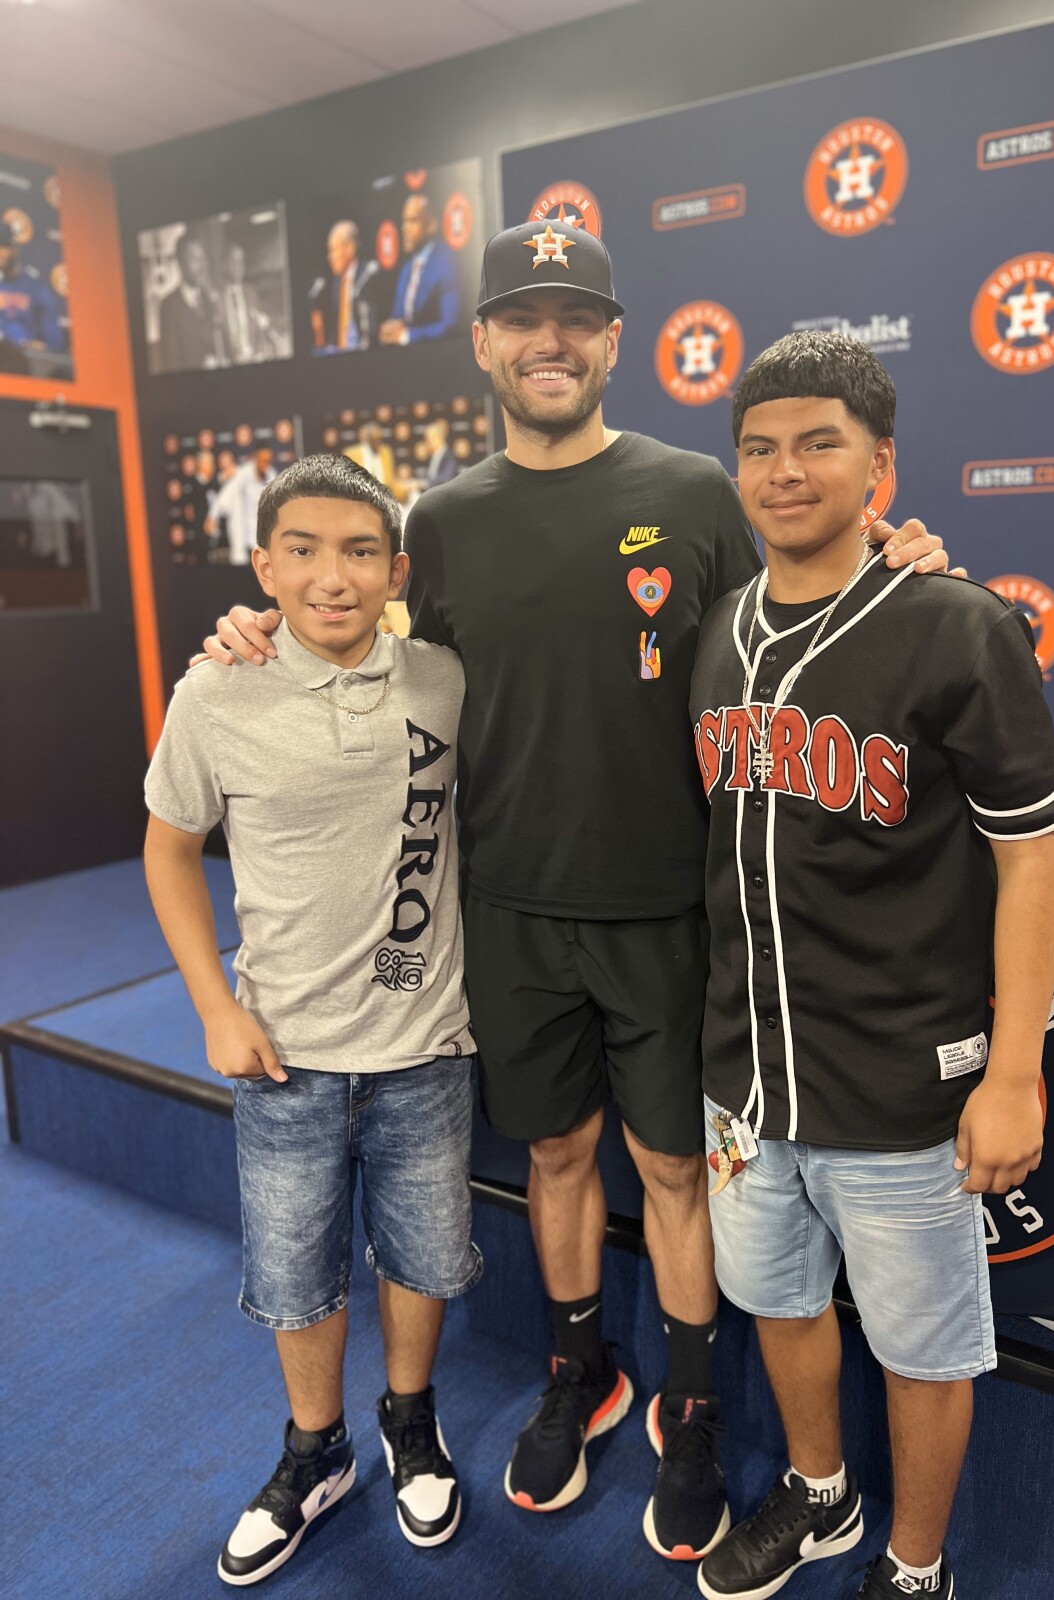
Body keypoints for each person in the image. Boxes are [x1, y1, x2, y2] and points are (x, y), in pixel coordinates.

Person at [198, 221, 951, 1563]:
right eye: (522, 317)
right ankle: (578, 1374)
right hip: (512, 911)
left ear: (613, 339)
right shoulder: (437, 521)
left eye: (576, 318)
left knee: (671, 1167)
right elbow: (351, 626)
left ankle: (697, 1408)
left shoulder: (698, 492)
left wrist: (902, 563)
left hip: (671, 909)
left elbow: (803, 599)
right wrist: (247, 630)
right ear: (484, 340)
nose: (549, 340)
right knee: (555, 1156)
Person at [690, 332, 1054, 1600]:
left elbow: (1030, 861)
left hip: (906, 1082)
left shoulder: (958, 624)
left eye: (817, 443)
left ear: (881, 464)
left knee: (921, 1347)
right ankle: (820, 1493)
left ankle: (914, 1566)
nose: (784, 471)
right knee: (780, 1303)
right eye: (759, 447)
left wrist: (1014, 1070)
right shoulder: (718, 629)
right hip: (747, 1079)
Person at [144, 455, 480, 1586]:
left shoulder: (443, 677)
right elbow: (168, 849)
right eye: (302, 550)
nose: (330, 578)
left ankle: (411, 1419)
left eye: (357, 552)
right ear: (263, 563)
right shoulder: (215, 691)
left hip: (428, 1046)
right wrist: (212, 1008)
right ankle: (315, 1451)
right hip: (283, 1055)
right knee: (297, 1275)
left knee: (425, 1257)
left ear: (396, 569)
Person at [380, 194, 460, 345]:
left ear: (431, 225)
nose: (404, 228)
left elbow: (451, 325)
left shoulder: (447, 263)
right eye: (404, 220)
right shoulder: (406, 269)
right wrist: (390, 328)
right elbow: (398, 315)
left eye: (412, 221)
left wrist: (407, 336)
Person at [0, 218, 67, 373]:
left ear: (15, 249)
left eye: (4, 246)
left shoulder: (35, 287)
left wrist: (43, 347)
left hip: (26, 365)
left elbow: (55, 340)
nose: (1, 252)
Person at [157, 230, 222, 372]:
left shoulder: (210, 299)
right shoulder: (169, 306)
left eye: (203, 258)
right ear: (180, 263)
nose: (202, 265)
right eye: (194, 259)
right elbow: (170, 364)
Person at [310, 221, 378, 352]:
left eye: (333, 250)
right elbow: (337, 332)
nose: (329, 257)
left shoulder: (368, 276)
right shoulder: (337, 284)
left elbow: (370, 331)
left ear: (350, 248)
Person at [206, 446, 277, 565]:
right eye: (262, 460)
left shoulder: (272, 477)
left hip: (264, 543)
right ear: (255, 459)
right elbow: (224, 496)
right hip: (244, 541)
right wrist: (212, 516)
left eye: (267, 460)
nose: (264, 464)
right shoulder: (242, 475)